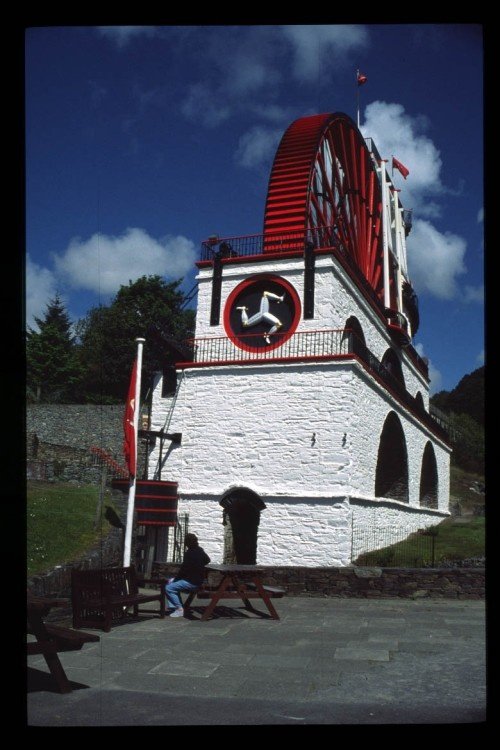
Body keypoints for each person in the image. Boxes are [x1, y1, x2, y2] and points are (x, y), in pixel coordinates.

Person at [165, 533, 211, 618]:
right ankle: (174, 606)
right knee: (170, 582)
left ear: (187, 543)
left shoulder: (189, 553)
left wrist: (176, 579)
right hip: (199, 580)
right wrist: (199, 565)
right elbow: (208, 560)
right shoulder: (200, 550)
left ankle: (179, 609)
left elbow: (183, 570)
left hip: (191, 582)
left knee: (169, 588)